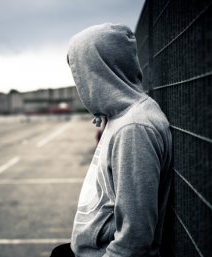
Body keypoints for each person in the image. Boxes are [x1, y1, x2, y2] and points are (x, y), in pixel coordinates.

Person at [51, 23, 173, 257]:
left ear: (100, 72)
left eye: (82, 74)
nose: (80, 85)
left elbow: (134, 240)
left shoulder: (134, 128)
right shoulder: (121, 117)